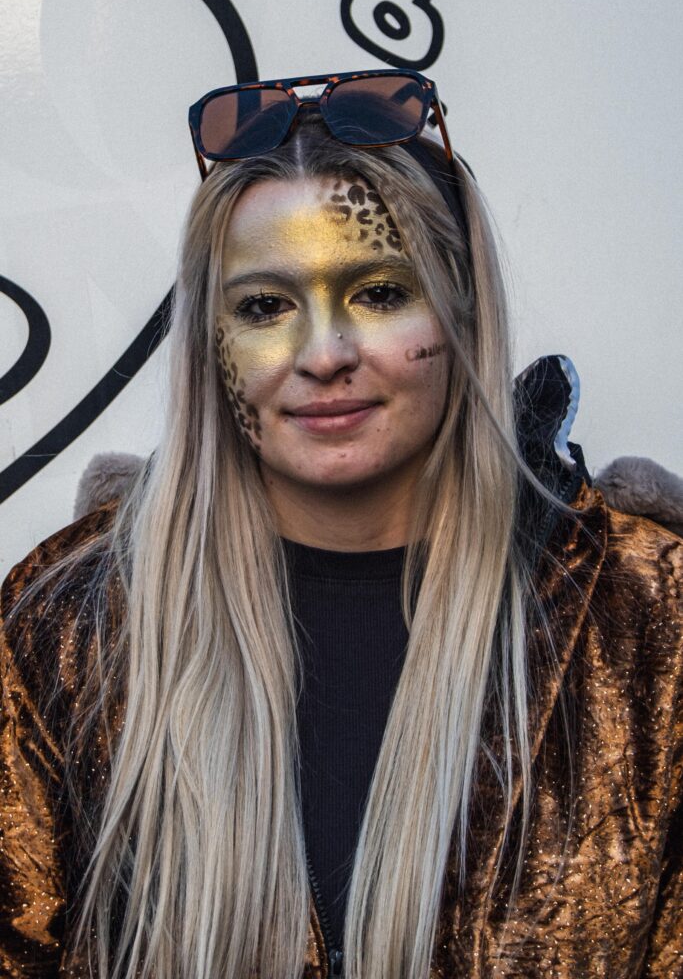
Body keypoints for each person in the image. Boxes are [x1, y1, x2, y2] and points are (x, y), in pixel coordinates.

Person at [0, 70, 681, 979]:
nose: (323, 355)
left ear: (462, 308)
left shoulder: (647, 620)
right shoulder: (65, 625)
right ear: (210, 341)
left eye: (379, 293)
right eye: (264, 306)